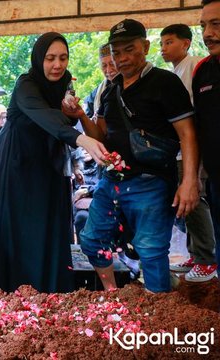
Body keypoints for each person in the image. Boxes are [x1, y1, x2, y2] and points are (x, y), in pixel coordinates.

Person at [0, 32, 107, 293]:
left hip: (47, 158)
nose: (57, 65)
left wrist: (72, 114)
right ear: (39, 58)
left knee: (45, 217)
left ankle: (46, 282)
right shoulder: (25, 84)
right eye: (50, 58)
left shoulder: (66, 82)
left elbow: (64, 119)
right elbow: (44, 116)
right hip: (16, 159)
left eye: (63, 58)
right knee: (19, 220)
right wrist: (81, 140)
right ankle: (15, 284)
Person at [65, 19, 199, 293]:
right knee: (91, 239)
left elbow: (187, 134)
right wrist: (80, 116)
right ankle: (114, 293)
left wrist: (189, 181)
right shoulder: (111, 90)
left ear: (146, 47)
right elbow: (101, 135)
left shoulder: (165, 82)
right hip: (111, 180)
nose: (122, 58)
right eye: (117, 52)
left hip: (152, 181)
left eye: (130, 49)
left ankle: (157, 307)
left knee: (150, 250)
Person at [161, 23, 217, 282]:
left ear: (186, 43)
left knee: (196, 202)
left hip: (191, 150)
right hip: (178, 151)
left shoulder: (196, 66)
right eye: (162, 43)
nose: (164, 48)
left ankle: (207, 259)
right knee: (187, 205)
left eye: (170, 42)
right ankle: (197, 253)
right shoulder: (175, 71)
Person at [192, 0, 220, 282]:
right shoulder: (203, 70)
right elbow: (199, 126)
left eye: (216, 24)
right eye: (203, 26)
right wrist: (198, 173)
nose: (208, 33)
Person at [83, 44, 119, 119]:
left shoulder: (132, 87)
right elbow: (87, 116)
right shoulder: (97, 94)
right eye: (104, 66)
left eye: (112, 64)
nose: (108, 70)